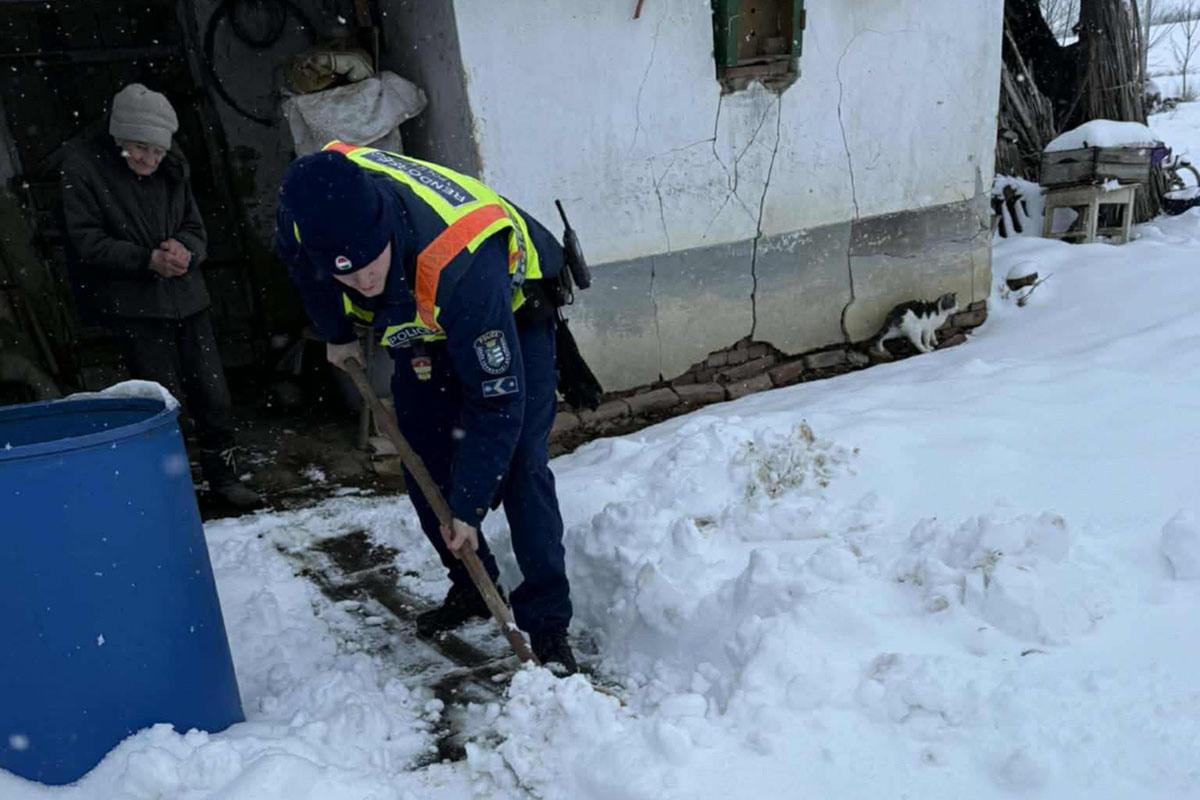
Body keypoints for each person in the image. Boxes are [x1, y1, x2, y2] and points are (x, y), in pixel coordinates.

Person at [275, 142, 576, 672]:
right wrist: (336, 330)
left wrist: (469, 507)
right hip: (418, 314)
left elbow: (496, 401)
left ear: (384, 228)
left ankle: (547, 624)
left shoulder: (462, 264)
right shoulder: (303, 215)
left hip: (512, 306)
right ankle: (474, 588)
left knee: (520, 464)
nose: (361, 281)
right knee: (424, 459)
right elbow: (304, 269)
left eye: (368, 261)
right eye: (346, 272)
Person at [61, 83, 260, 509]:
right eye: (139, 149)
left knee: (213, 393)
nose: (149, 159)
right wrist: (145, 259)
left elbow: (194, 225)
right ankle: (173, 490)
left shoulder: (171, 162)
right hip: (135, 305)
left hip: (188, 298)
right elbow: (85, 241)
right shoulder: (83, 166)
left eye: (156, 150)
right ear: (118, 137)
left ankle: (225, 479)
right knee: (160, 401)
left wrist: (187, 250)